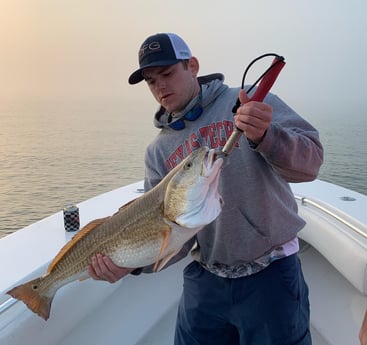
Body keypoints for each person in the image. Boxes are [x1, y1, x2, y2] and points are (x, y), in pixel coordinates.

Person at [88, 32, 324, 344]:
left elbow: (311, 164)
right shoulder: (158, 152)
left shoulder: (248, 103)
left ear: (193, 66)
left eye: (168, 73)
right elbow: (171, 234)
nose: (160, 86)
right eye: (151, 80)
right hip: (206, 279)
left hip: (271, 275)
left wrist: (267, 135)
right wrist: (128, 266)